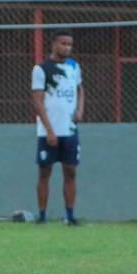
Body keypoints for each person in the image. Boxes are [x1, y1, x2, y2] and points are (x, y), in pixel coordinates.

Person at [31, 30, 84, 226]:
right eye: (63, 43)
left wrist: (80, 109)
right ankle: (42, 216)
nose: (67, 48)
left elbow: (80, 89)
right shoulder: (41, 69)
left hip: (70, 129)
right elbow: (37, 102)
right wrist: (49, 130)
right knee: (44, 172)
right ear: (53, 44)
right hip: (48, 131)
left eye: (69, 44)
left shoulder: (74, 66)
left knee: (70, 171)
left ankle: (69, 216)